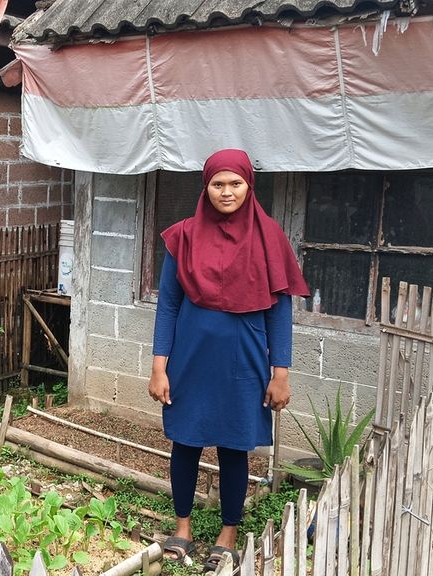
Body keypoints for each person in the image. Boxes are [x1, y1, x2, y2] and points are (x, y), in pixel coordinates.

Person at [148, 149, 309, 570]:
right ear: (205, 187)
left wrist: (282, 374)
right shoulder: (183, 236)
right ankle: (181, 528)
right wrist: (159, 366)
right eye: (217, 184)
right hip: (191, 357)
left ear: (248, 186)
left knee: (234, 445)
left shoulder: (269, 236)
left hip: (245, 356)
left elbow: (280, 312)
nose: (226, 192)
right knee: (185, 440)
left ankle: (228, 533)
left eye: (235, 183)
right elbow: (167, 306)